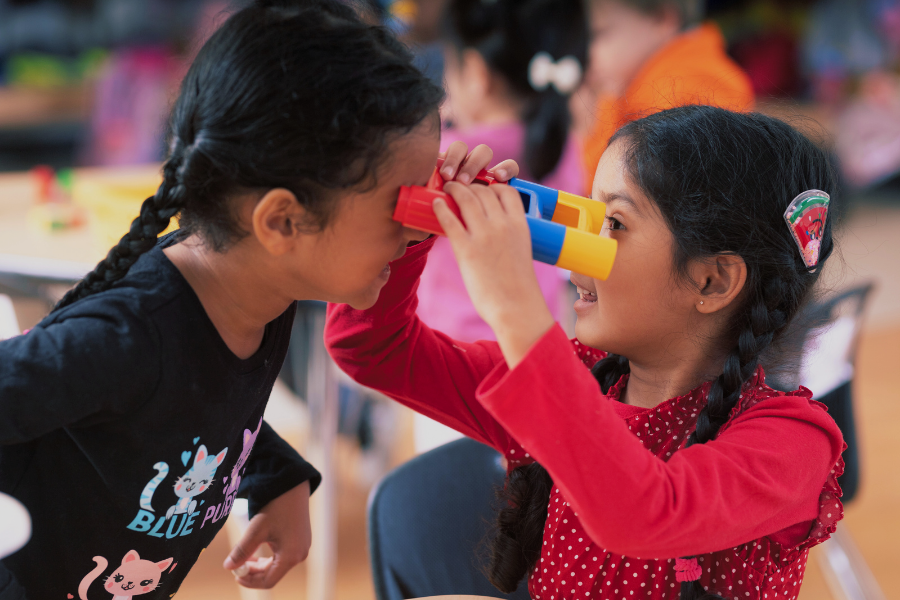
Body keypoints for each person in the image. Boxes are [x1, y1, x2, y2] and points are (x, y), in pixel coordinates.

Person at [0, 1, 507, 597]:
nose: (416, 222)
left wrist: (275, 476)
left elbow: (189, 407)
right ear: (283, 222)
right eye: (400, 203)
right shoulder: (124, 336)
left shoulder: (254, 290)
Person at [326, 105, 845, 600]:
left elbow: (645, 512)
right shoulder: (578, 378)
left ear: (711, 279)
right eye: (592, 219)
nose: (573, 260)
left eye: (614, 225)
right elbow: (372, 348)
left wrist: (515, 308)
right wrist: (408, 238)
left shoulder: (793, 443)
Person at [417, 0, 587, 343]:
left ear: (477, 75)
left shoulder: (444, 155)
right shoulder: (563, 148)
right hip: (533, 345)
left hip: (449, 348)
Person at [578, 0, 755, 190]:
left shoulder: (688, 88)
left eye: (598, 34)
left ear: (661, 19)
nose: (586, 53)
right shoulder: (625, 87)